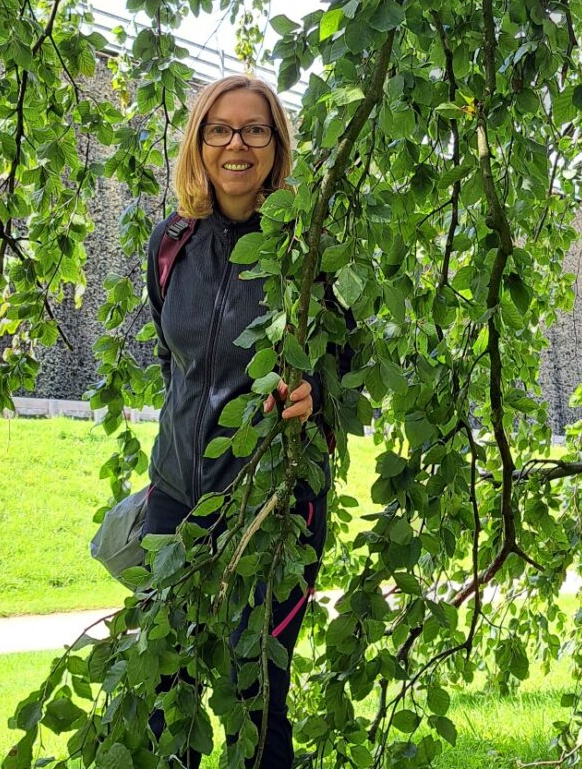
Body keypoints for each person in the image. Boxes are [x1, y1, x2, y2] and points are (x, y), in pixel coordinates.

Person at [143, 74, 337, 769]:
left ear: (276, 144)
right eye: (219, 128)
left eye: (255, 129)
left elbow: (338, 363)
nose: (236, 143)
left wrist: (313, 389)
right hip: (178, 500)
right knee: (167, 693)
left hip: (275, 502)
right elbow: (177, 370)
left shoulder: (305, 250)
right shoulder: (170, 243)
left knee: (253, 695)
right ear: (198, 140)